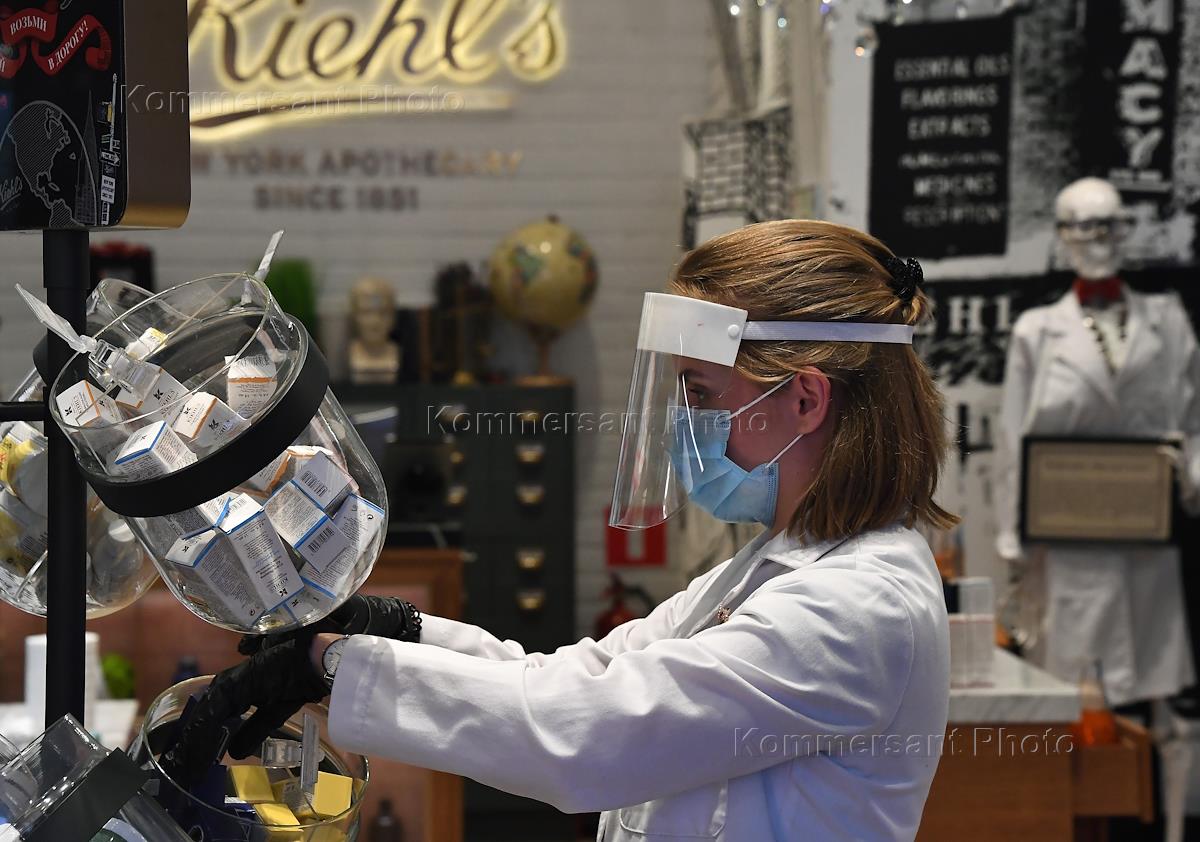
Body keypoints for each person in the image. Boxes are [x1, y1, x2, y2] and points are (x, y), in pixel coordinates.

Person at [163, 220, 954, 841]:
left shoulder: (855, 609)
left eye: (701, 394)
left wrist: (332, 667)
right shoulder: (774, 567)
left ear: (806, 400)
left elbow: (592, 736)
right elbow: (582, 679)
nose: (683, 422)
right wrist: (399, 630)